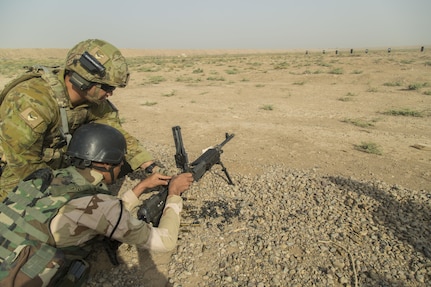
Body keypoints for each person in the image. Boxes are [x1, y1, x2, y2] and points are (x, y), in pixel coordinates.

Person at [0, 123, 194, 287]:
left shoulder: (48, 178)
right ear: (108, 164)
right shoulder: (99, 204)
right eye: (120, 163)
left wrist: (141, 187)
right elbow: (165, 242)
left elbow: (96, 212)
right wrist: (174, 194)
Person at [0, 38, 158, 199]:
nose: (111, 94)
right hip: (19, 172)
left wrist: (146, 163)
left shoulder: (94, 101)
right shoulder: (32, 100)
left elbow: (113, 131)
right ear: (81, 81)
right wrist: (67, 190)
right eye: (107, 87)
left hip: (60, 165)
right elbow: (23, 161)